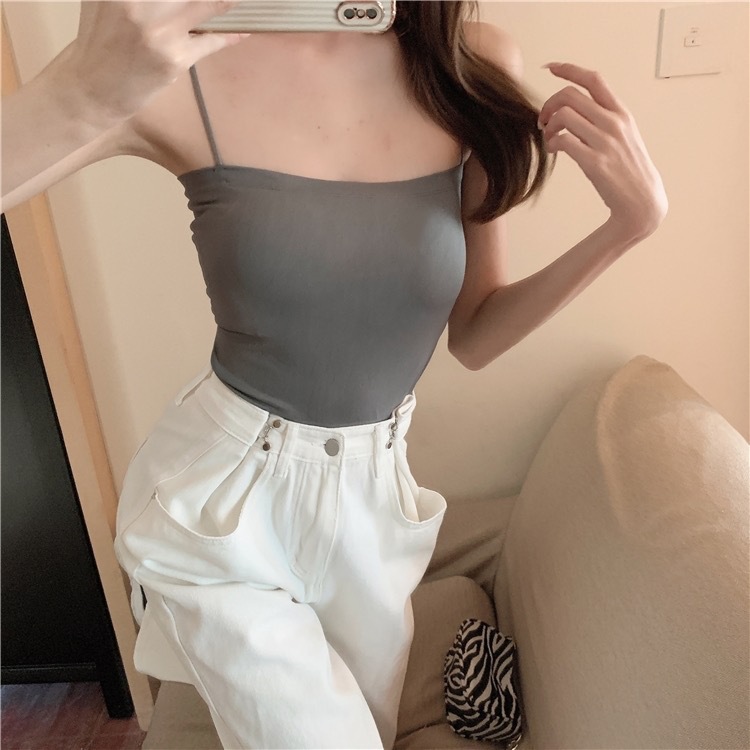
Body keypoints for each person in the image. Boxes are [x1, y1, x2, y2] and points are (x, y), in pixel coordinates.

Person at [1, 2, 668, 748]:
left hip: (374, 509)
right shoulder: (184, 64)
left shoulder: (466, 63)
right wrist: (80, 88)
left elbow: (476, 335)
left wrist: (625, 229)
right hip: (222, 509)